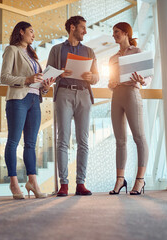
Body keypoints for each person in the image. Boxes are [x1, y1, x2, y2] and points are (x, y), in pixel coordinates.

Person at [0, 21, 55, 199]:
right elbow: (4, 77)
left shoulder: (33, 55)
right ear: (21, 32)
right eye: (31, 31)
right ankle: (14, 183)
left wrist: (45, 85)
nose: (33, 35)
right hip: (18, 100)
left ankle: (33, 182)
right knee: (13, 141)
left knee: (31, 144)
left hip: (34, 100)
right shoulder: (12, 50)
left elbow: (37, 83)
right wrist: (27, 79)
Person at [47, 16, 99, 196]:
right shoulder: (57, 49)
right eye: (82, 27)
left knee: (83, 141)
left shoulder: (90, 51)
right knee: (63, 140)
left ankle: (80, 183)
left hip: (84, 94)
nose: (85, 31)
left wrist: (91, 77)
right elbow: (48, 74)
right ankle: (64, 184)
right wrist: (60, 73)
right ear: (72, 28)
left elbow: (96, 77)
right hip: (64, 93)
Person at [108, 22, 151, 195]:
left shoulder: (137, 52)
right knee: (120, 140)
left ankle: (140, 179)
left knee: (139, 137)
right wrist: (111, 83)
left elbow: (148, 77)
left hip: (132, 93)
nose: (114, 35)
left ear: (126, 33)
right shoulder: (112, 58)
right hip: (116, 96)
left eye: (117, 32)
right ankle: (120, 179)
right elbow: (110, 82)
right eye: (113, 33)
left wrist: (142, 81)